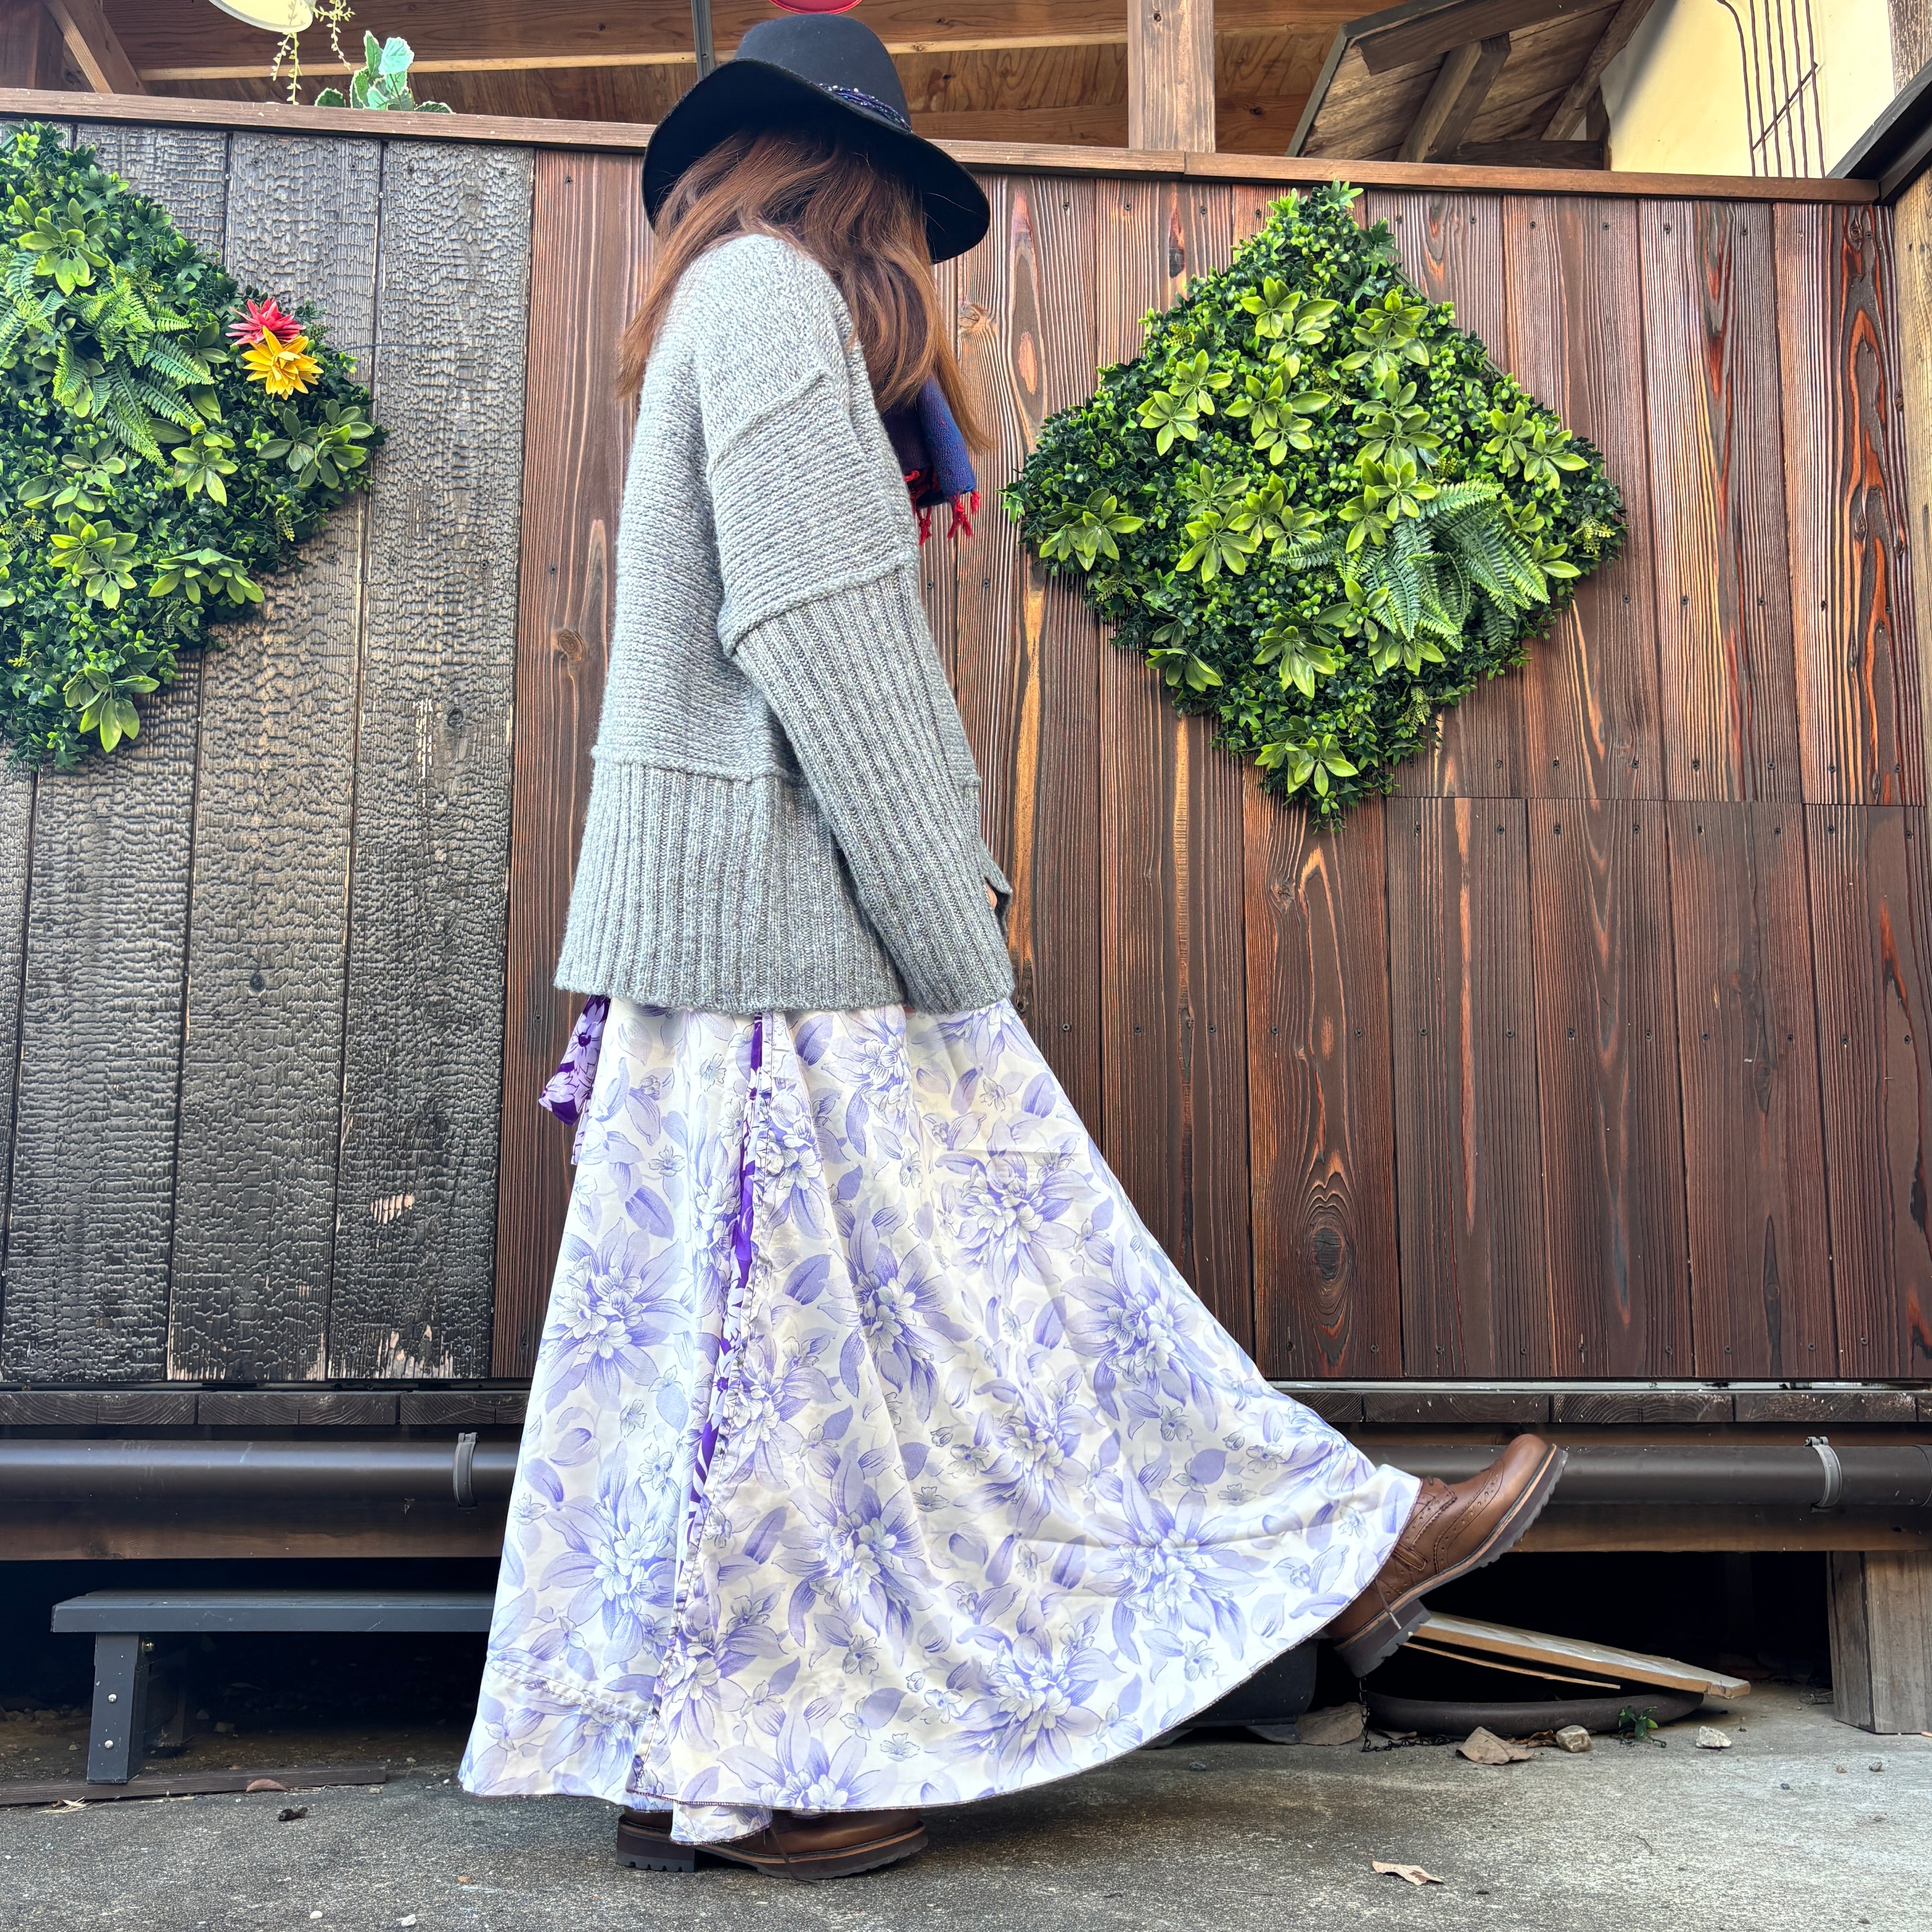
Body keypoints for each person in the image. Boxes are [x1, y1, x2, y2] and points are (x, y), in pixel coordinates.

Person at [459, 13, 1564, 1883]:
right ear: (862, 185)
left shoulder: (726, 303)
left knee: (787, 1363)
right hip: (782, 946)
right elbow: (828, 642)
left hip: (723, 949)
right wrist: (954, 910)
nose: (908, 249)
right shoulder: (774, 301)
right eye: (901, 205)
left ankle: (720, 1752)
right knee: (976, 1306)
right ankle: (1316, 1549)